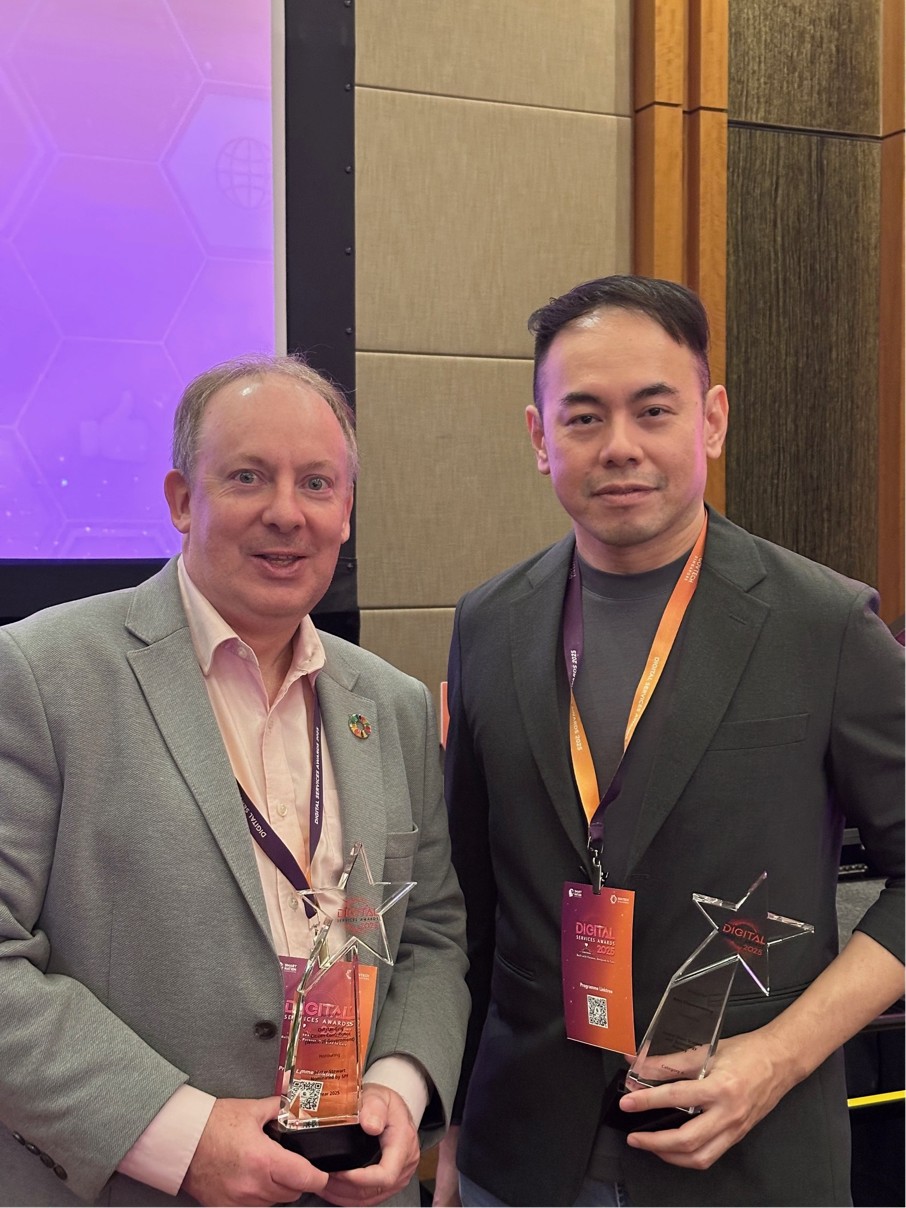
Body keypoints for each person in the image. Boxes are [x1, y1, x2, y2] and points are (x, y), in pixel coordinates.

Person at [437, 276, 904, 1207]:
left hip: (746, 1156)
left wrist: (776, 1058)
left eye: (654, 410)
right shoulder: (488, 623)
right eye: (582, 417)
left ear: (712, 419)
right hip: (520, 1158)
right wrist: (452, 1135)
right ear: (539, 438)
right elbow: (470, 911)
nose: (620, 448)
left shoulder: (824, 623)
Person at [0, 355, 469, 1208]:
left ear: (346, 511)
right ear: (183, 499)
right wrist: (180, 1137)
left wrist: (400, 1089)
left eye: (317, 484)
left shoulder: (392, 706)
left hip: (352, 1185)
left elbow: (432, 933)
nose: (286, 513)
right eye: (248, 477)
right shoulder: (39, 674)